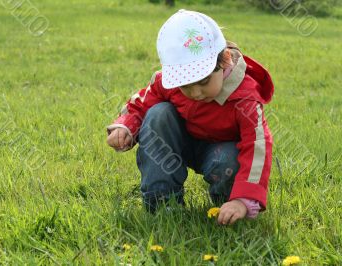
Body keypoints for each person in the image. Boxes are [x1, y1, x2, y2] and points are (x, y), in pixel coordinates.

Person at [106, 9, 274, 225]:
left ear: (225, 61)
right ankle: (163, 203)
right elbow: (142, 102)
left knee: (230, 159)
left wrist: (242, 200)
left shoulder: (244, 99)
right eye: (185, 86)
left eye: (203, 82)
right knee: (158, 114)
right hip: (179, 142)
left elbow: (258, 145)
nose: (195, 93)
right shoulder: (171, 83)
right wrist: (124, 127)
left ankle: (228, 205)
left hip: (220, 154)